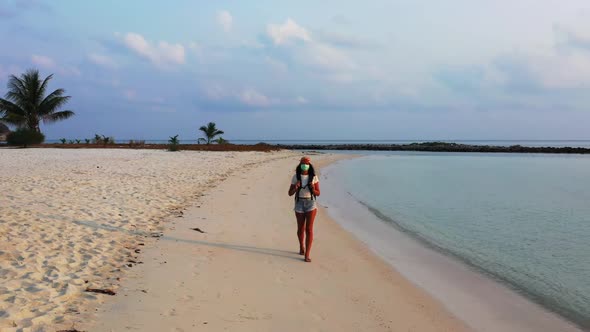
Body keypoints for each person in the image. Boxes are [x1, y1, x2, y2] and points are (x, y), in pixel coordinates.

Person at [288, 156, 320, 262]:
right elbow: (290, 193)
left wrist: (313, 189)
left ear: (309, 165)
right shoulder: (295, 177)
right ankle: (301, 246)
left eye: (306, 163)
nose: (305, 165)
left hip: (311, 203)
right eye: (303, 163)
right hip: (299, 203)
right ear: (300, 164)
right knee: (300, 228)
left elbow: (318, 193)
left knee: (309, 229)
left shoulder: (314, 177)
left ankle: (307, 254)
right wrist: (295, 187)